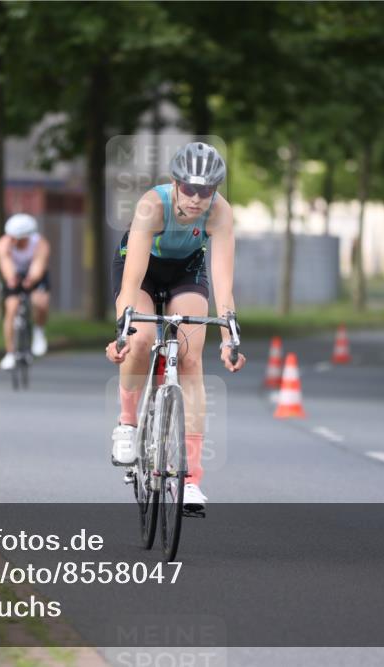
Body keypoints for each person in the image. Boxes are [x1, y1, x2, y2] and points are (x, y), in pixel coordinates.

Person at [104, 142, 246, 513]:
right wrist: (123, 331)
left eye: (207, 190)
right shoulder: (153, 205)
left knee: (190, 356)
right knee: (142, 337)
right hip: (142, 268)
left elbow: (223, 282)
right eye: (190, 189)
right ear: (175, 183)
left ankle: (191, 479)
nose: (198, 198)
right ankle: (128, 423)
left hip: (186, 271)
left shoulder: (220, 213)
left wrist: (229, 338)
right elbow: (132, 280)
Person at [0, 213, 51, 370]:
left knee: (40, 302)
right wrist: (11, 278)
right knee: (11, 308)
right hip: (14, 274)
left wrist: (31, 280)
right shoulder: (2, 244)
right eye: (11, 237)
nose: (13, 241)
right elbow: (5, 264)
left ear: (26, 237)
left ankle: (39, 332)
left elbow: (38, 266)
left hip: (34, 274)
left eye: (17, 238)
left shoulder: (40, 244)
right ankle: (10, 353)